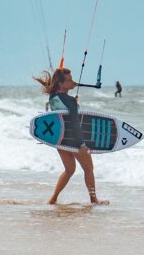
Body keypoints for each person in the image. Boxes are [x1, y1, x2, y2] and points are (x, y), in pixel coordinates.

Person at [34, 67, 105, 206]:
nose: (73, 82)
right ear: (60, 83)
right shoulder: (70, 101)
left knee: (69, 170)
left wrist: (70, 93)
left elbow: (62, 108)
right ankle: (93, 199)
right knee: (89, 169)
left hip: (60, 140)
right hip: (73, 140)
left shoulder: (53, 97)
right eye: (69, 80)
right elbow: (74, 123)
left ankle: (53, 199)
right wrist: (82, 144)